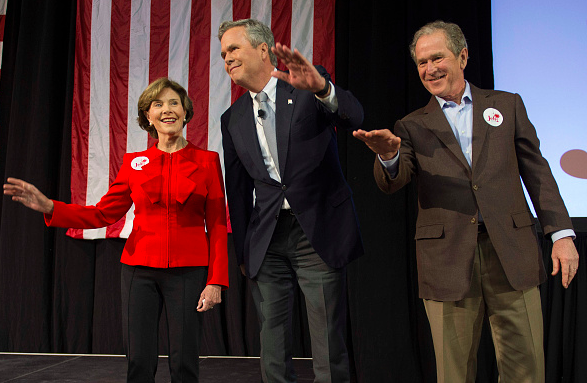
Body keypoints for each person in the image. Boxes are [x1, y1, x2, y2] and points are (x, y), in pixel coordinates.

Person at [354, 20, 579, 383]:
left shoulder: (507, 105)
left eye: (437, 58)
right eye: (422, 63)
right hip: (446, 259)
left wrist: (561, 234)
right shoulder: (411, 125)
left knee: (527, 371)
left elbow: (537, 172)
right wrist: (388, 157)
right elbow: (395, 181)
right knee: (454, 374)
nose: (430, 69)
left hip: (511, 252)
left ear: (462, 56)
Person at [3, 77, 228, 383]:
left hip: (189, 271)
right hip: (138, 271)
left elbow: (216, 224)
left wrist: (215, 281)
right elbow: (102, 214)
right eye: (157, 104)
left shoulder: (207, 161)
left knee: (185, 360)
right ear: (147, 117)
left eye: (174, 102)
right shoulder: (134, 163)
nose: (167, 110)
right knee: (138, 358)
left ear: (186, 112)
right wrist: (51, 208)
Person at [218, 19, 364, 383]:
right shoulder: (232, 118)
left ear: (263, 50)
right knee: (272, 342)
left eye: (233, 49)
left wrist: (324, 89)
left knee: (328, 341)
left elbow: (353, 115)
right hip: (267, 240)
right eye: (222, 54)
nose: (227, 59)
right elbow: (236, 190)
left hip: (316, 232)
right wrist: (243, 251)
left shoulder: (305, 88)